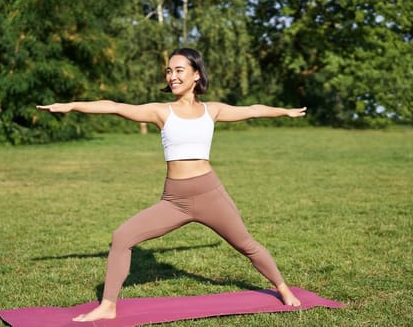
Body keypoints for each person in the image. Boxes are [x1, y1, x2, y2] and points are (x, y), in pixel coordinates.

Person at [36, 48, 306, 322]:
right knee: (122, 238)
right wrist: (71, 106)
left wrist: (285, 112)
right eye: (169, 71)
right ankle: (108, 305)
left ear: (196, 74)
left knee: (246, 244)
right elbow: (115, 106)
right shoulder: (160, 111)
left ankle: (283, 289)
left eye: (179, 70)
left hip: (209, 194)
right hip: (174, 200)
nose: (172, 76)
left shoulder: (212, 110)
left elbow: (252, 111)